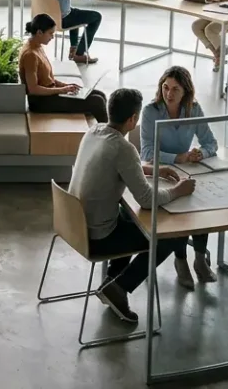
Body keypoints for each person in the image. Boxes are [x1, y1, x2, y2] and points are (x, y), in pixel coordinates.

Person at [69, 88, 195, 323]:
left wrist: (153, 169)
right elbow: (146, 200)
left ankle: (112, 280)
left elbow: (116, 164)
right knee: (174, 235)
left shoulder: (94, 131)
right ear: (133, 119)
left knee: (128, 217)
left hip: (75, 226)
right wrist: (180, 190)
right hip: (98, 237)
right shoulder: (123, 148)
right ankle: (119, 288)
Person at [138, 66, 218, 290]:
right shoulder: (150, 111)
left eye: (175, 89)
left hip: (186, 169)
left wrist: (201, 153)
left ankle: (200, 259)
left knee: (201, 204)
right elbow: (146, 153)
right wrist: (178, 158)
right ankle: (180, 260)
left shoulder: (194, 109)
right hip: (159, 173)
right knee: (181, 208)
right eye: (165, 87)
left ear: (186, 92)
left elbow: (211, 143)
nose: (169, 94)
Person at [19, 13, 107, 123]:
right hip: (41, 102)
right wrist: (62, 90)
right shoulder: (30, 55)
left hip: (50, 94)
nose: (52, 37)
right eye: (50, 33)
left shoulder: (38, 46)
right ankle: (109, 133)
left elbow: (47, 78)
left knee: (99, 94)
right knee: (97, 102)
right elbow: (33, 89)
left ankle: (104, 129)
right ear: (39, 33)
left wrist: (66, 86)